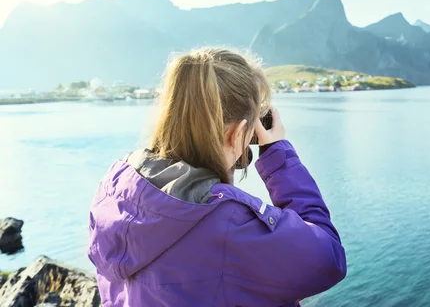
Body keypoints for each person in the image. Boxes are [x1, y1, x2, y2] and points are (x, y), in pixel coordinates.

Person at [88, 48, 347, 306]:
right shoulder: (227, 224)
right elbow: (328, 259)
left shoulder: (116, 188)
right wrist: (279, 156)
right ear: (237, 133)